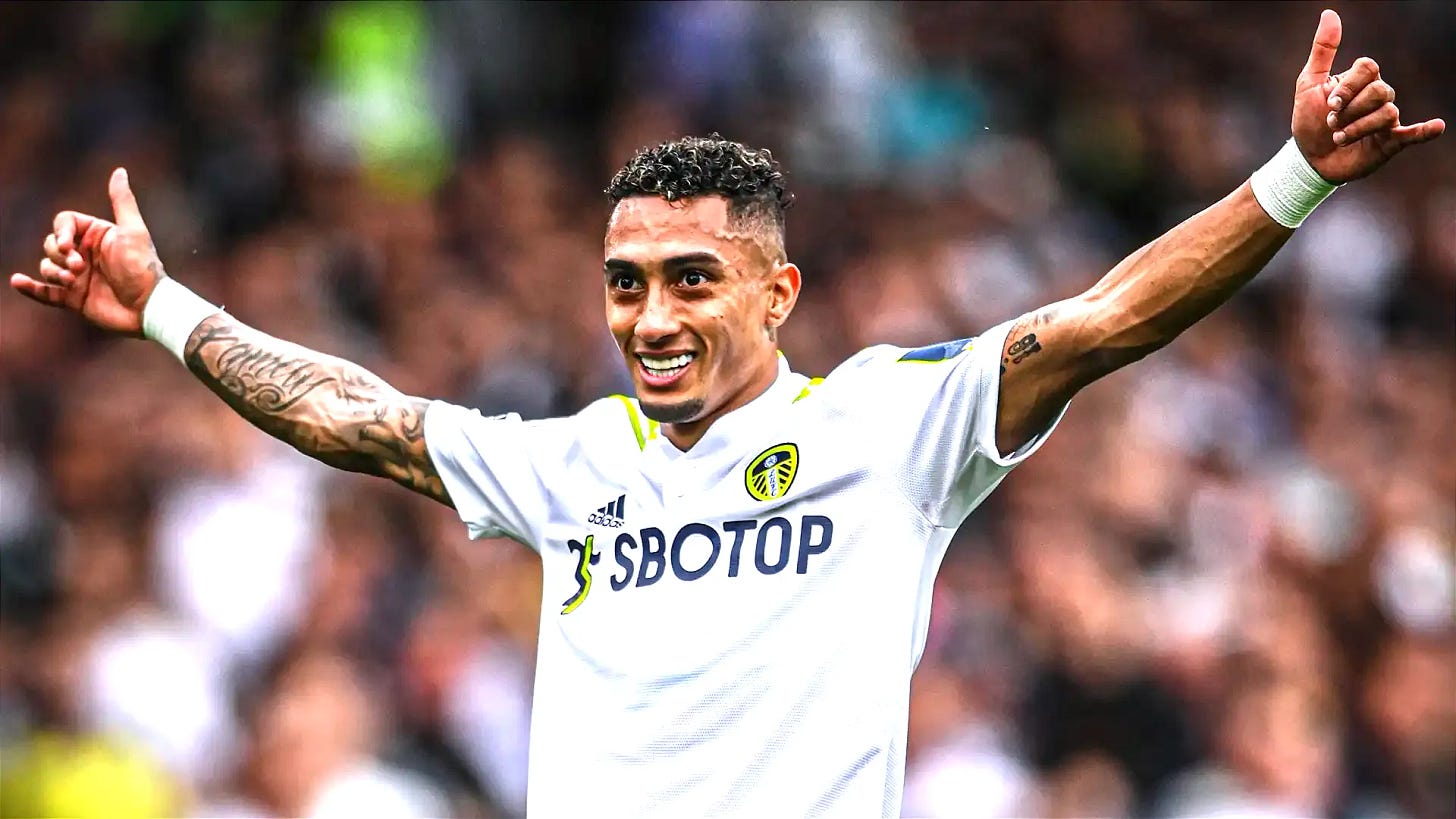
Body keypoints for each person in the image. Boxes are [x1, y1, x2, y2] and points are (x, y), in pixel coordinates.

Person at [10, 10, 1442, 817]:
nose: (650, 317)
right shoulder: (572, 461)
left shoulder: (889, 427)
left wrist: (1293, 177)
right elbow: (359, 415)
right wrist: (167, 308)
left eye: (693, 279)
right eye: (626, 283)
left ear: (778, 293)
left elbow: (1107, 319)